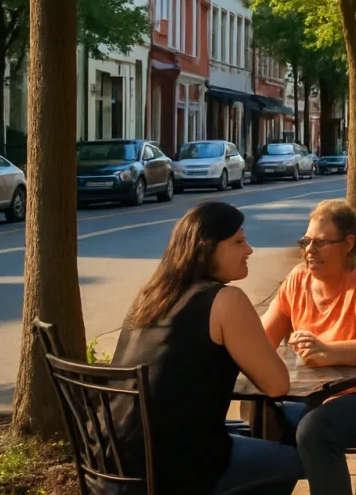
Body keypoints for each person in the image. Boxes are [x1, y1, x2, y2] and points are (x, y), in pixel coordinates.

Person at [112, 202, 302, 495]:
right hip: (174, 468)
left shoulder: (151, 296)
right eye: (238, 241)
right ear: (207, 248)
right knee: (292, 459)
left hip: (118, 460)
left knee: (244, 432)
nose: (249, 250)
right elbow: (277, 385)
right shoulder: (226, 300)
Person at [262, 200, 356, 495]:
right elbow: (262, 338)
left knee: (315, 430)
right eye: (306, 241)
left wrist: (327, 350)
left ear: (348, 244)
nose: (309, 250)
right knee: (263, 415)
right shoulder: (297, 280)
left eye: (320, 243)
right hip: (318, 396)